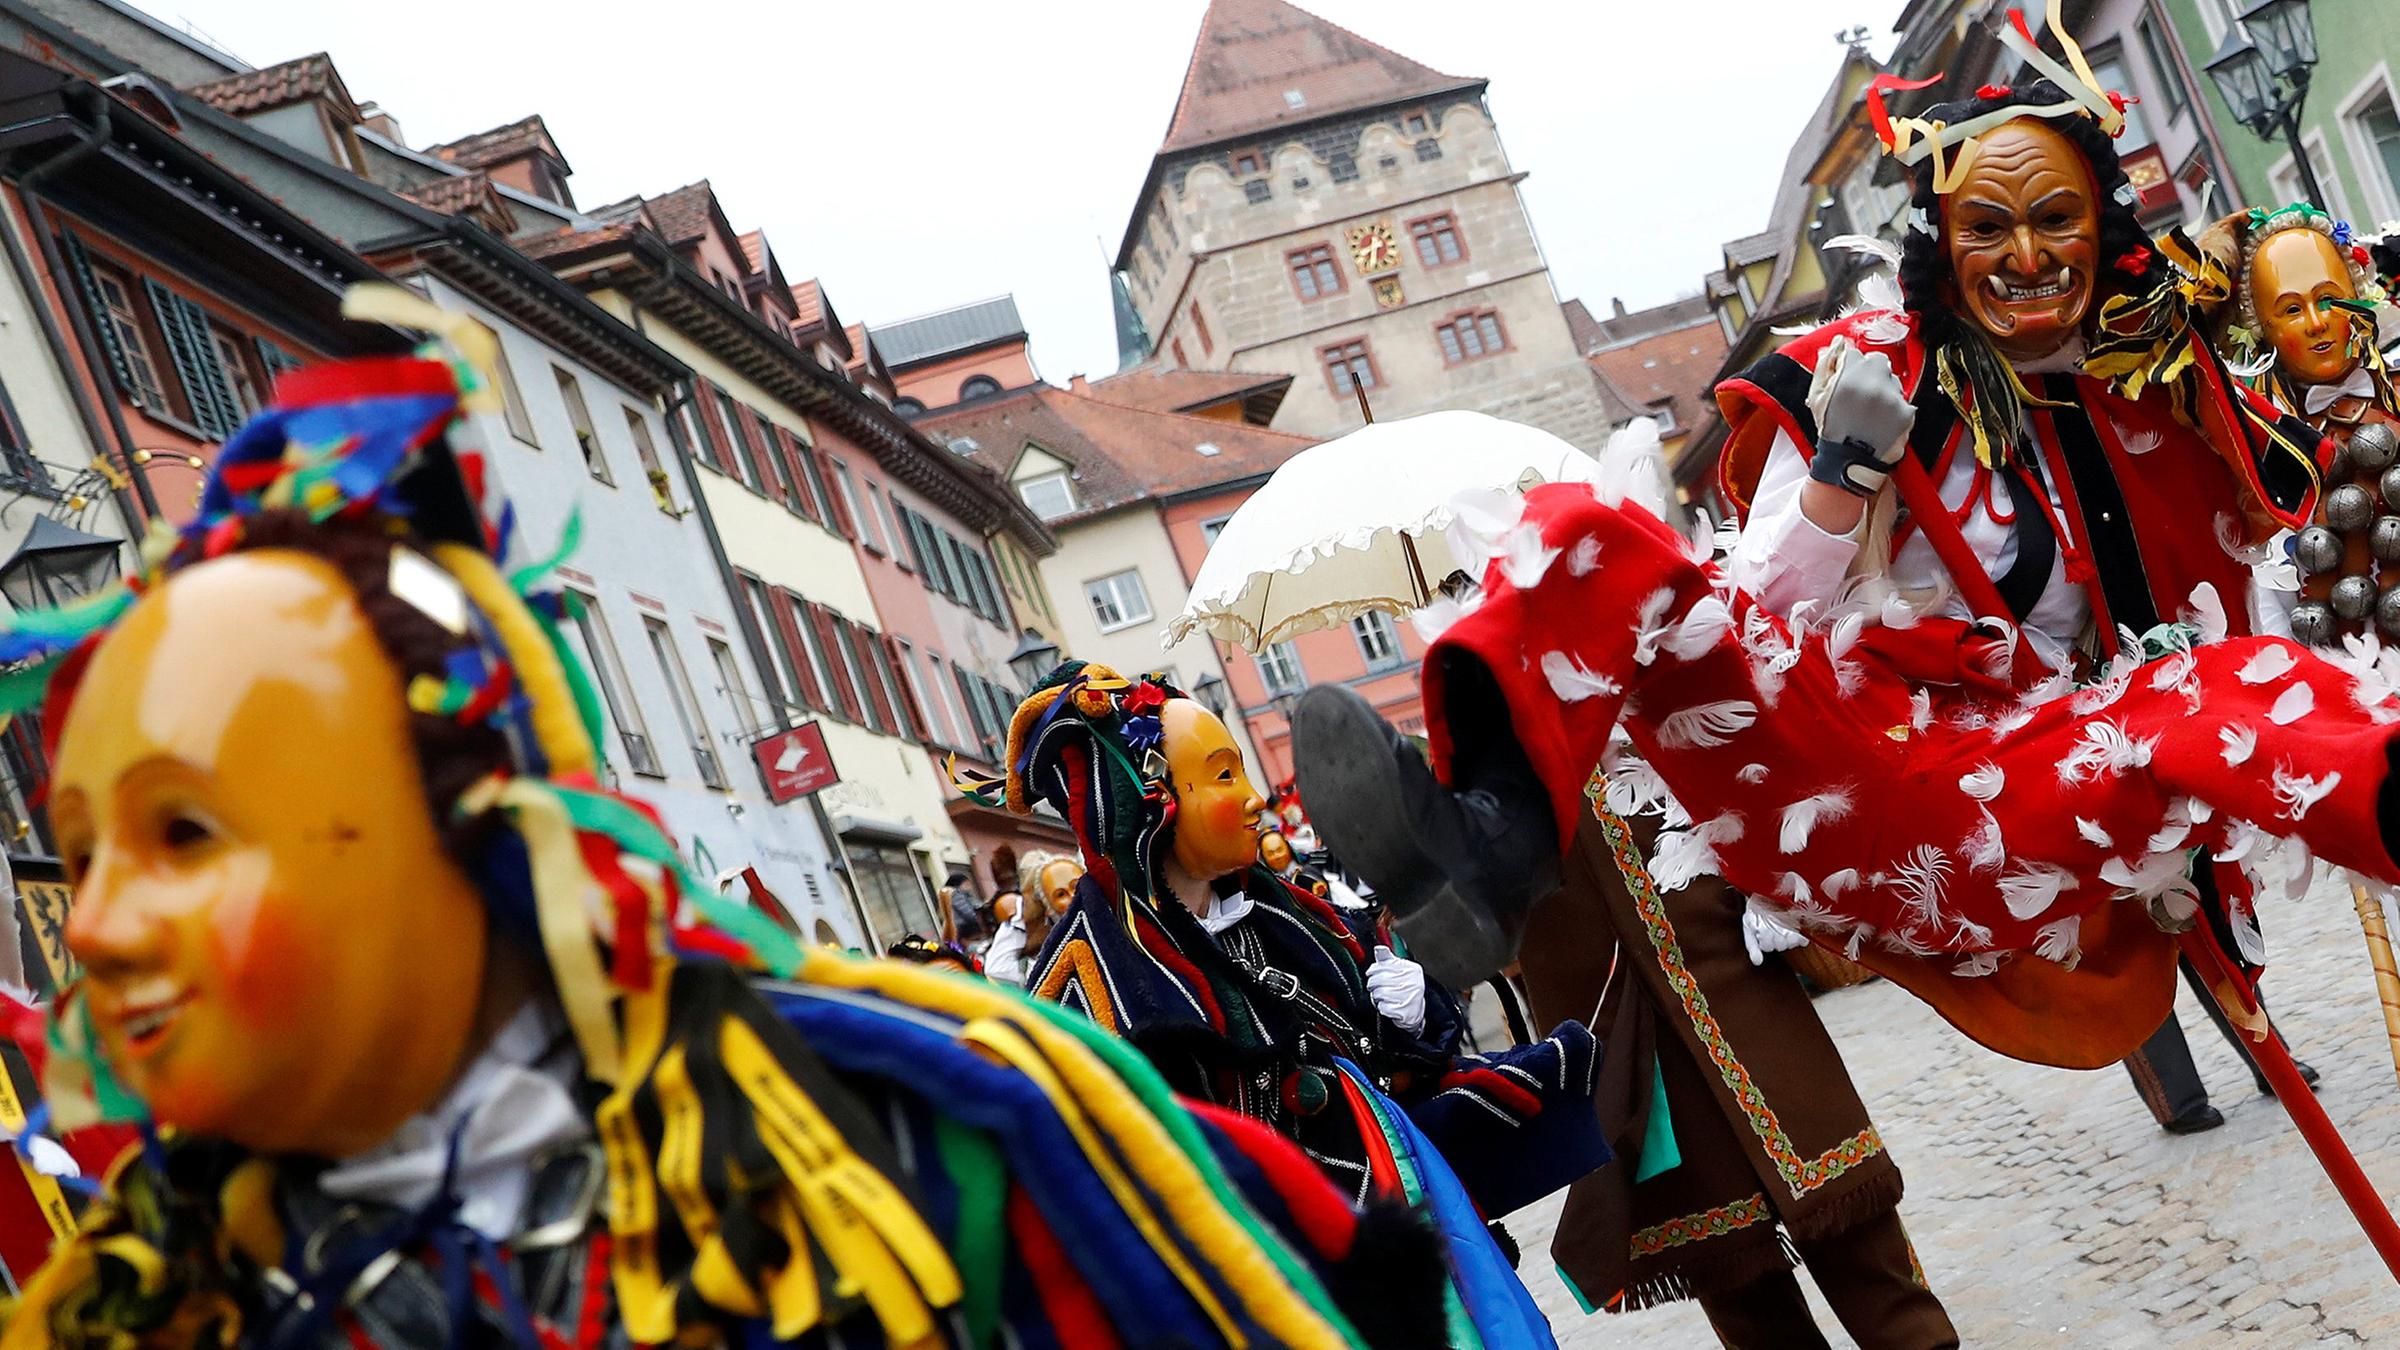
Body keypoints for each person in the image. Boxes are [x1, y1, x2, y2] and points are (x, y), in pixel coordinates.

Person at [0, 326, 1468, 1350]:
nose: (108, 920)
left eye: (182, 831)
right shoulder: (160, 1287)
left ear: (440, 823)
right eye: (84, 846)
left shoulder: (906, 1140)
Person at [964, 663, 1602, 1345]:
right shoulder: (1082, 982)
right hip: (1266, 1287)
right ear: (1149, 798)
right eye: (1221, 775)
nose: (1251, 799)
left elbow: (1398, 1058)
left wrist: (1414, 1015)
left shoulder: (1296, 917)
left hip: (1404, 1226)